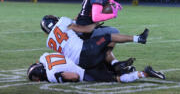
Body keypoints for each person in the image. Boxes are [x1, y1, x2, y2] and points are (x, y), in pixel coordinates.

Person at [40, 15, 149, 73]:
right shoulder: (63, 21)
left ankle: (115, 65)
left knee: (102, 51)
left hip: (80, 63)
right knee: (109, 36)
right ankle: (138, 38)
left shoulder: (49, 43)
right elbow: (82, 28)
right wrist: (95, 23)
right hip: (85, 50)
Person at [27, 52, 165, 83]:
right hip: (84, 57)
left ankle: (144, 74)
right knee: (110, 68)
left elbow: (74, 76)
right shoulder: (45, 57)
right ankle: (120, 66)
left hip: (85, 71)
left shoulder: (51, 75)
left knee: (117, 79)